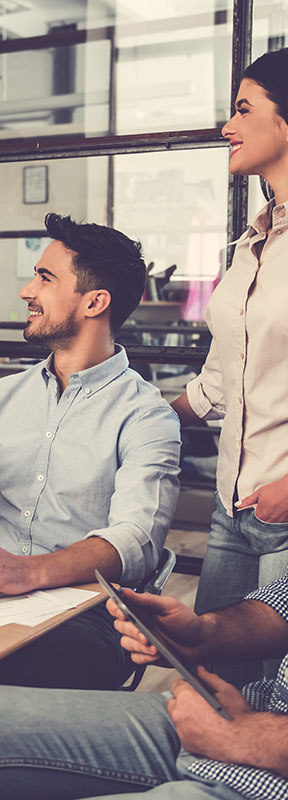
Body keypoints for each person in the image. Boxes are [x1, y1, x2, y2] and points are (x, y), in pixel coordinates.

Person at [0, 212, 182, 690]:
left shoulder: (147, 416)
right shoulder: (2, 397)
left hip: (84, 612)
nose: (26, 291)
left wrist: (27, 572)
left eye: (45, 278)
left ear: (95, 301)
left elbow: (136, 542)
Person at [0, 569, 288, 800]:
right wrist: (205, 633)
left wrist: (253, 739)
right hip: (260, 716)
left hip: (267, 764)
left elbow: (133, 537)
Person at [171, 47, 288, 686]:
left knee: (274, 710)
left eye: (244, 109)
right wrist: (137, 410)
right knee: (210, 684)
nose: (227, 127)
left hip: (286, 509)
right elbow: (218, 385)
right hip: (231, 508)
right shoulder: (251, 243)